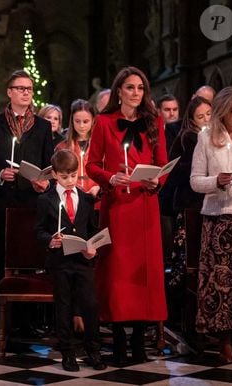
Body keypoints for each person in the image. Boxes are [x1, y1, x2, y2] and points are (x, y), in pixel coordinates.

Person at [86, 66, 167, 365]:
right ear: (118, 90)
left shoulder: (154, 121)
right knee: (118, 273)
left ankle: (139, 341)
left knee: (144, 274)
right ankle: (120, 340)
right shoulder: (104, 122)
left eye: (140, 88)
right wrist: (110, 178)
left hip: (145, 206)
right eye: (130, 87)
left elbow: (162, 162)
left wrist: (157, 180)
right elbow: (92, 164)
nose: (135, 93)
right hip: (118, 206)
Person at [0, 70, 53, 332]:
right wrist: (0, 172)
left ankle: (28, 322)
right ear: (9, 92)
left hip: (32, 203)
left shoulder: (43, 127)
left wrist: (43, 179)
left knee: (29, 261)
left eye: (29, 89)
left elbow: (49, 164)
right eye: (20, 88)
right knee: (1, 260)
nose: (25, 93)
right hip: (4, 202)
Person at [35, 149, 106, 372]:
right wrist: (50, 240)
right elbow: (38, 230)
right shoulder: (45, 200)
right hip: (60, 262)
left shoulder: (85, 198)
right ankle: (68, 353)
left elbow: (93, 230)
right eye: (64, 176)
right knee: (63, 306)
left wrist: (93, 249)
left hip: (83, 261)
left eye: (73, 176)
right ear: (55, 174)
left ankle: (94, 351)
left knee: (90, 305)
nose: (69, 181)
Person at [190, 85, 232, 364]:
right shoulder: (207, 137)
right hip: (219, 219)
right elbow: (195, 180)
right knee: (223, 284)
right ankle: (224, 340)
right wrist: (217, 181)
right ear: (221, 111)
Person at [164, 96, 211, 330]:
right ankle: (179, 317)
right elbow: (186, 173)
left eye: (209, 115)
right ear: (192, 119)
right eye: (200, 117)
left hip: (208, 206)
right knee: (185, 264)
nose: (205, 120)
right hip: (190, 206)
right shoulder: (189, 138)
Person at [55, 99, 100, 198]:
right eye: (77, 121)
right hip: (71, 199)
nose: (81, 126)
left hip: (97, 199)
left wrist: (98, 187)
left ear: (93, 120)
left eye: (86, 121)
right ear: (72, 121)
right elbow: (56, 176)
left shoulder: (101, 145)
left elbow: (109, 173)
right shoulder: (62, 147)